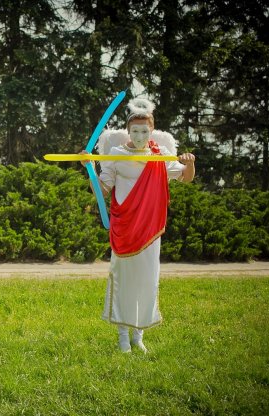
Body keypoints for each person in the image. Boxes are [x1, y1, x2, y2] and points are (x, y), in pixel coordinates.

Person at [81, 98, 195, 353]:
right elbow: (102, 188)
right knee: (124, 278)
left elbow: (186, 178)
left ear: (152, 131)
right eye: (135, 130)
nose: (140, 135)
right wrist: (90, 168)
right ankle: (123, 336)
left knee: (147, 279)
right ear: (128, 131)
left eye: (145, 131)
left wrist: (190, 163)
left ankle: (138, 335)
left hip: (150, 228)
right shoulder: (116, 155)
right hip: (125, 225)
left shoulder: (161, 157)